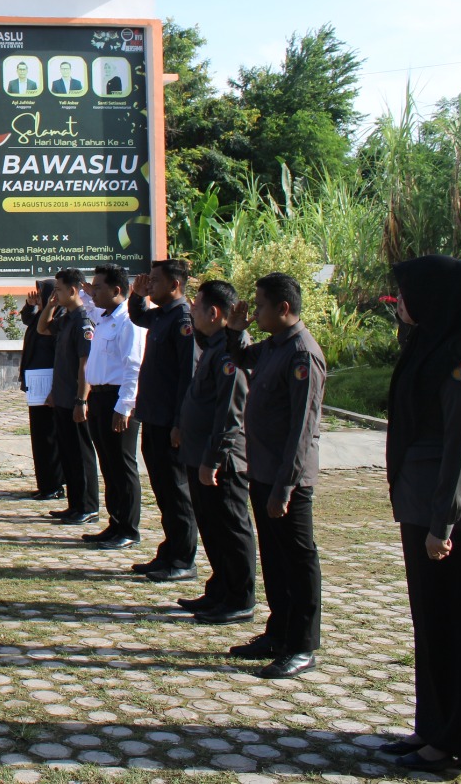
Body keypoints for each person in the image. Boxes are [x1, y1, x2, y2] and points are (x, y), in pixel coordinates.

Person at [380, 256, 461, 772]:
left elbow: (459, 446)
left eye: (409, 295)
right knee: (433, 625)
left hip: (456, 512)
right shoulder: (429, 347)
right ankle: (433, 727)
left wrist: (443, 522)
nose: (401, 305)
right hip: (423, 502)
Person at [223, 271, 325, 679]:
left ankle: (302, 644)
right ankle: (278, 632)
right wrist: (236, 331)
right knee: (276, 559)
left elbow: (303, 428)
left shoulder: (302, 353)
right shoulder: (275, 346)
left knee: (298, 562)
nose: (256, 311)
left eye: (261, 305)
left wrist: (286, 485)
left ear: (284, 308)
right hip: (263, 470)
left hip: (288, 479)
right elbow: (243, 359)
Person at [175, 279, 256, 625]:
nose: (191, 311)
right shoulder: (212, 343)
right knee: (211, 525)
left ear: (214, 312)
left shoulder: (230, 351)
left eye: (197, 307)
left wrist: (214, 458)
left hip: (221, 459)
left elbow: (230, 412)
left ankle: (240, 597)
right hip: (199, 453)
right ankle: (220, 589)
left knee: (231, 526)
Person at [127, 261, 199, 581]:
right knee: (163, 491)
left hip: (169, 420)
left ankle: (183, 560)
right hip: (152, 416)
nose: (151, 284)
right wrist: (138, 295)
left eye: (156, 281)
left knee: (177, 493)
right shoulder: (160, 314)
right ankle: (169, 553)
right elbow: (138, 316)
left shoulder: (183, 318)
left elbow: (188, 376)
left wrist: (180, 422)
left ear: (175, 286)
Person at [81, 265, 145, 549]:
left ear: (116, 291)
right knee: (107, 463)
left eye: (98, 287)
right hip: (99, 397)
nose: (93, 292)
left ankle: (129, 529)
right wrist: (84, 293)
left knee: (122, 465)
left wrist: (125, 406)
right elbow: (89, 307)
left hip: (117, 400)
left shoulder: (130, 321)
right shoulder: (106, 318)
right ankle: (115, 522)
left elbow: (133, 366)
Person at [41, 269, 98, 526]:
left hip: (75, 400)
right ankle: (74, 505)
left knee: (82, 455)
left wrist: (81, 400)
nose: (56, 294)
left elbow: (85, 365)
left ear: (73, 291)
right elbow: (43, 328)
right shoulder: (66, 318)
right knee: (69, 454)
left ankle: (88, 506)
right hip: (62, 397)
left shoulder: (83, 322)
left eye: (60, 290)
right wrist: (50, 306)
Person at [19, 279, 64, 500]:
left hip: (49, 388)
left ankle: (54, 485)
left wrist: (55, 389)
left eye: (42, 292)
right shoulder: (41, 316)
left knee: (50, 437)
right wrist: (31, 305)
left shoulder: (58, 319)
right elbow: (28, 319)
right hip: (36, 385)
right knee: (39, 436)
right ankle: (45, 483)